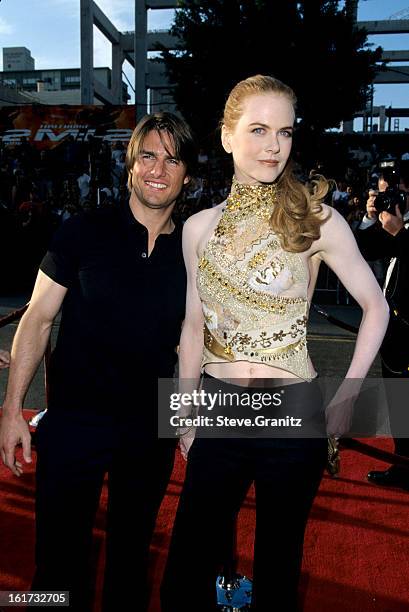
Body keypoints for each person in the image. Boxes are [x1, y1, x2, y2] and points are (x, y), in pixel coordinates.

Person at [160, 75, 389, 612]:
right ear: (226, 136)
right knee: (186, 570)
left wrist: (348, 395)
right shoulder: (197, 228)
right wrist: (184, 413)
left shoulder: (316, 220)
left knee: (277, 572)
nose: (272, 146)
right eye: (258, 129)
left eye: (284, 132)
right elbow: (192, 330)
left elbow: (377, 308)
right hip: (219, 406)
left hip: (294, 412)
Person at [0, 111, 196, 611]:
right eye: (148, 155)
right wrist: (11, 412)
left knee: (131, 564)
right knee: (55, 566)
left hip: (148, 430)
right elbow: (38, 319)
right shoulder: (82, 230)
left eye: (172, 159)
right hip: (74, 421)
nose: (158, 168)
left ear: (187, 175)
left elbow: (196, 340)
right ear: (130, 165)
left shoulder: (196, 253)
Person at [357, 166, 409, 491]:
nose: (388, 198)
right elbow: (366, 250)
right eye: (381, 192)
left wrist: (400, 234)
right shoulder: (393, 222)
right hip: (396, 330)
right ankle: (405, 466)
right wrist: (369, 217)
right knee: (399, 402)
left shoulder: (402, 228)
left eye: (393, 192)